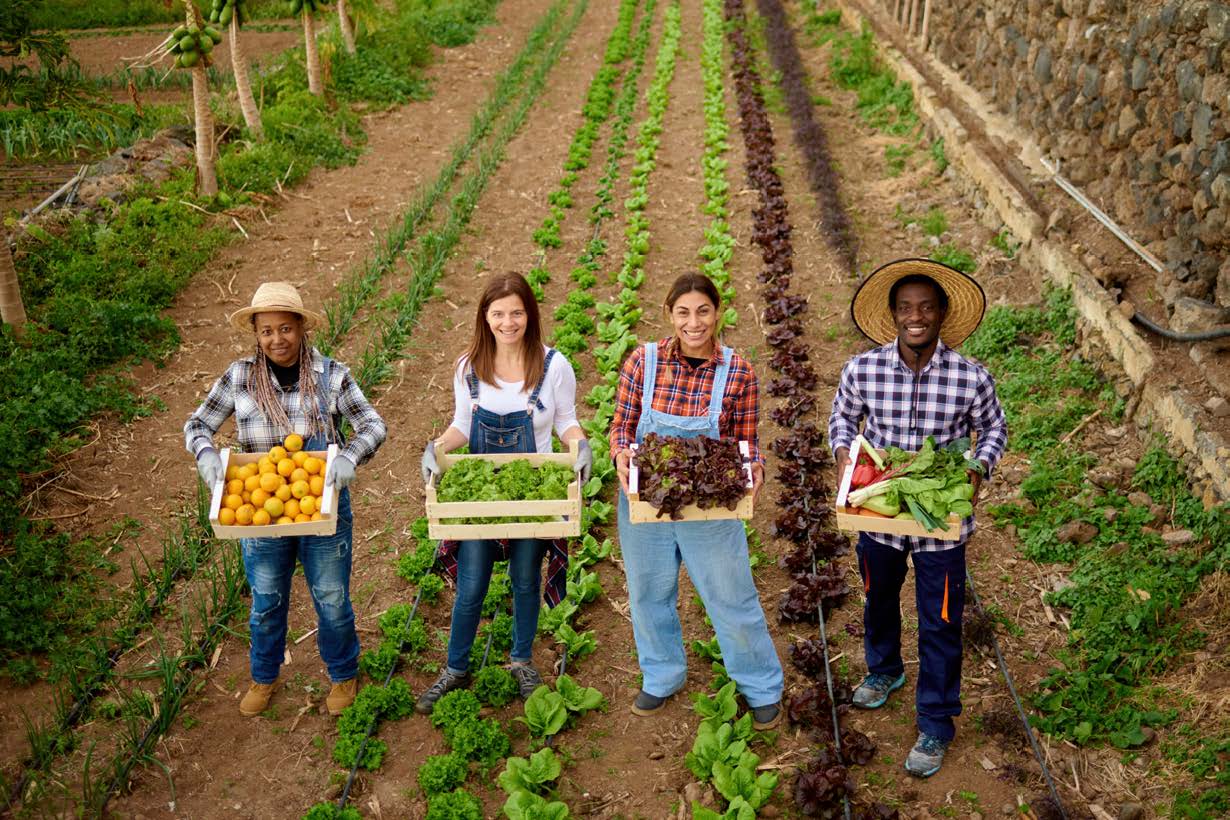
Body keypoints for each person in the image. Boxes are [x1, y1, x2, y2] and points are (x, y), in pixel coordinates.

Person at [828, 258, 1008, 777]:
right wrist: (844, 456)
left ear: (941, 314)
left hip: (940, 517)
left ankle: (935, 722)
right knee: (878, 596)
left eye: (926, 307)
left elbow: (995, 429)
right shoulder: (863, 369)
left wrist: (977, 469)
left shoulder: (971, 377)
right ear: (893, 315)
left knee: (941, 620)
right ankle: (884, 669)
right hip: (881, 508)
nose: (916, 316)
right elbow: (842, 418)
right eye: (906, 307)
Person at [185, 281, 387, 717]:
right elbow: (197, 425)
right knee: (266, 600)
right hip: (260, 510)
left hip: (321, 504)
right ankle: (264, 676)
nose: (277, 339)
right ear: (256, 334)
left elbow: (372, 424)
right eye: (266, 331)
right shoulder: (239, 377)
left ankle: (343, 673)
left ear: (300, 328)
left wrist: (349, 455)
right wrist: (205, 454)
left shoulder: (331, 375)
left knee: (331, 598)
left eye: (285, 328)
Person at [611, 272, 783, 730]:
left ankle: (760, 685)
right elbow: (622, 428)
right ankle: (661, 675)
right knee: (649, 591)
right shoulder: (642, 362)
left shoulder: (738, 371)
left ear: (718, 312)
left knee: (730, 593)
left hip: (710, 506)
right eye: (683, 312)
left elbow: (746, 441)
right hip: (646, 500)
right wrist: (622, 455)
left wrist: (755, 467)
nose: (694, 322)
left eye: (703, 311)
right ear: (669, 314)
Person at [416, 272, 592, 715]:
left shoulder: (554, 366)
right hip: (483, 494)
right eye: (498, 314)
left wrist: (581, 445)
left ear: (530, 315)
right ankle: (456, 668)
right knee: (471, 582)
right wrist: (436, 448)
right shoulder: (468, 366)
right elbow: (462, 424)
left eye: (517, 313)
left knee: (525, 578)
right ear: (485, 316)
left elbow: (565, 420)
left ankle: (521, 661)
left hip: (534, 490)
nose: (508, 322)